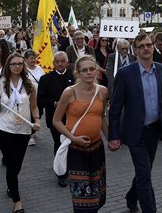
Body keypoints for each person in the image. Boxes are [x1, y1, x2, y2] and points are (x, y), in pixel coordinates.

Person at [108, 33, 162, 213]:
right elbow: (115, 107)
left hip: (154, 130)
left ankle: (131, 196)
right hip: (134, 132)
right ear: (135, 50)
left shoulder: (160, 70)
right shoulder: (125, 73)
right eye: (141, 46)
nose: (146, 48)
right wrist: (113, 136)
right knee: (145, 175)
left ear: (152, 47)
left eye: (148, 45)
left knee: (144, 172)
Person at [53, 56, 109, 213]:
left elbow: (102, 117)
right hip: (76, 150)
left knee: (97, 192)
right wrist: (73, 138)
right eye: (85, 70)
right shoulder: (69, 93)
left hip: (97, 149)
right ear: (77, 73)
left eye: (92, 69)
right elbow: (56, 121)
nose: (89, 73)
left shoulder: (102, 91)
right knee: (82, 196)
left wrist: (111, 139)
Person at [0, 53, 41, 213]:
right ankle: (17, 201)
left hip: (24, 130)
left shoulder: (31, 85)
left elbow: (34, 106)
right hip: (4, 129)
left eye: (20, 63)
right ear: (8, 66)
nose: (17, 66)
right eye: (13, 64)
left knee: (17, 164)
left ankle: (11, 185)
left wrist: (37, 120)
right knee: (12, 164)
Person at [37, 51, 76, 187]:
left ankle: (71, 167)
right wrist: (54, 103)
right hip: (55, 118)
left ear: (67, 62)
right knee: (59, 144)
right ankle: (61, 174)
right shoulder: (45, 79)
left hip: (73, 118)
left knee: (71, 144)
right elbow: (40, 100)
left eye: (62, 61)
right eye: (57, 62)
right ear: (53, 64)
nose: (60, 64)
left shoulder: (75, 77)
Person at [24, 49, 45, 146]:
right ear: (26, 59)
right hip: (28, 97)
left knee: (38, 114)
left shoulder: (39, 68)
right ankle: (30, 136)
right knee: (30, 115)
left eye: (35, 58)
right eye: (31, 58)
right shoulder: (23, 70)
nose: (33, 60)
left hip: (39, 97)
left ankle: (32, 130)